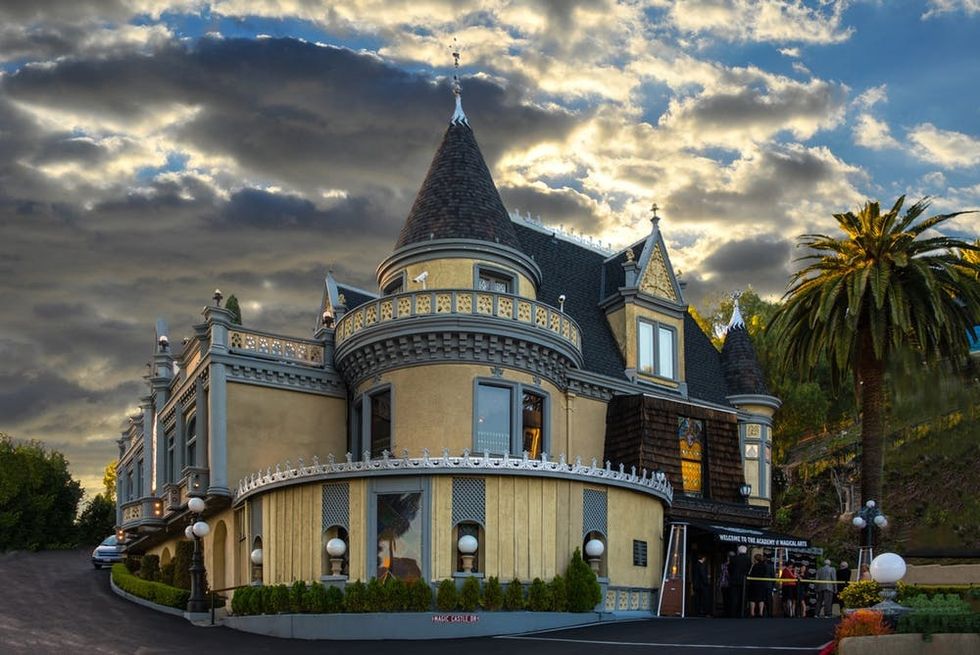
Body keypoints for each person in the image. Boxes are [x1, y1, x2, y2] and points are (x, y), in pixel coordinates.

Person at [731, 545, 751, 617]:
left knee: (734, 597)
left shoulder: (734, 558)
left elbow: (730, 568)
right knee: (743, 597)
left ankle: (733, 612)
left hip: (734, 580)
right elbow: (748, 568)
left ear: (739, 551)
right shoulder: (748, 559)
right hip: (744, 580)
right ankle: (742, 612)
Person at [747, 553, 768, 617]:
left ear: (756, 559)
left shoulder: (754, 566)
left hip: (754, 584)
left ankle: (752, 612)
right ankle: (761, 612)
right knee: (761, 599)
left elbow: (750, 574)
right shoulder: (764, 566)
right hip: (762, 584)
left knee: (752, 599)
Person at [719, 552, 733, 618]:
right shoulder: (726, 565)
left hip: (725, 583)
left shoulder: (723, 565)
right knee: (727, 598)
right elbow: (725, 574)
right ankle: (727, 611)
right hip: (727, 583)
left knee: (726, 598)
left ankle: (727, 611)